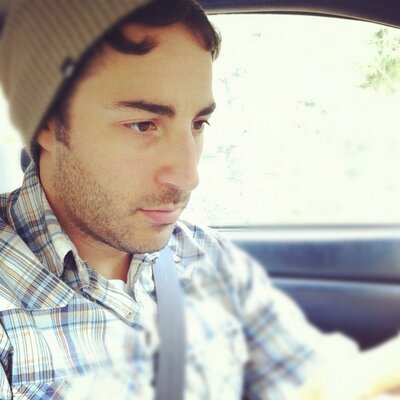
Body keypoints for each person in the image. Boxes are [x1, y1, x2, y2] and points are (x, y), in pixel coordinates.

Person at [0, 0, 399, 399]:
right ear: (45, 120)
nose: (189, 176)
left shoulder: (204, 255)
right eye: (142, 125)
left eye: (197, 123)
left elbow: (310, 383)